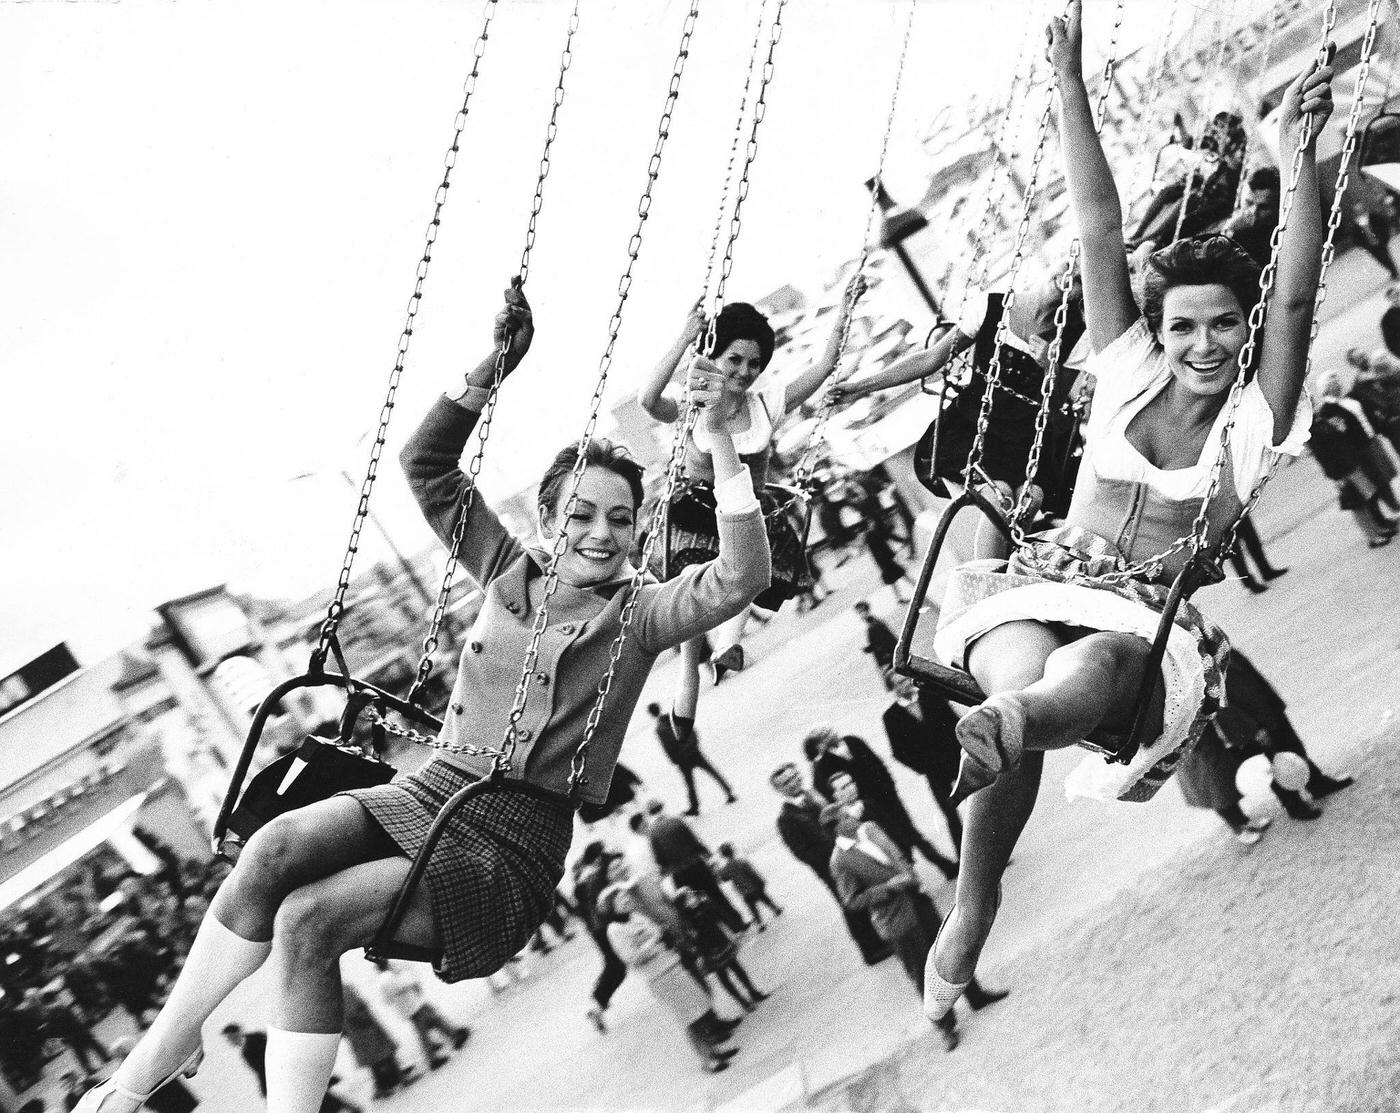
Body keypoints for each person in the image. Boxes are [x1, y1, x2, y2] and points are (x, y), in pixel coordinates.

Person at [75, 284, 772, 1113]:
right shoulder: (509, 572)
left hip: (509, 844)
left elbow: (740, 576)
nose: (600, 533)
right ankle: (151, 1060)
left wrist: (721, 441)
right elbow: (426, 466)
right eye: (580, 513)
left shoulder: (643, 612)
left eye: (620, 521)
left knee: (308, 922)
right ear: (548, 518)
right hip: (430, 788)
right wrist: (494, 367)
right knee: (270, 851)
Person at [921, 4, 1333, 1023]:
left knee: (1083, 673)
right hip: (1040, 583)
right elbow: (1098, 225)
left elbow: (1292, 298)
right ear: (1157, 327)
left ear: (1241, 331)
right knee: (1017, 664)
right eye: (1182, 324)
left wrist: (1296, 156)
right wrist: (1065, 80)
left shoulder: (1254, 420)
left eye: (1220, 326)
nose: (1201, 344)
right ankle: (973, 898)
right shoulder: (1121, 372)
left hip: (1139, 633)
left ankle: (1006, 725)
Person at [637, 286, 860, 691]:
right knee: (694, 582)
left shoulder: (766, 404)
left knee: (749, 566)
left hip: (747, 513)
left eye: (753, 364)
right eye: (734, 360)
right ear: (714, 358)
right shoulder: (695, 403)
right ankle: (691, 673)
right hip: (698, 514)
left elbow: (824, 365)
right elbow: (649, 400)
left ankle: (727, 648)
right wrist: (686, 337)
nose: (743, 372)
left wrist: (845, 306)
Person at [828, 269, 1090, 517]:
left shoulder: (1074, 337)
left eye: (1078, 278)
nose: (1068, 275)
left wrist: (1050, 366)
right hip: (976, 429)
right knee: (999, 496)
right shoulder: (993, 307)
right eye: (1067, 263)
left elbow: (1057, 405)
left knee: (1029, 497)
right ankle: (988, 563)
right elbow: (931, 359)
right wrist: (860, 387)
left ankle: (1011, 560)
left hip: (1026, 439)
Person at [824, 774, 1006, 1051]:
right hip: (896, 917)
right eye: (846, 816)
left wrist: (908, 873)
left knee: (953, 947)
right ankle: (946, 1028)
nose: (853, 815)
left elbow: (895, 854)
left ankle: (977, 996)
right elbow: (852, 900)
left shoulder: (869, 828)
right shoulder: (840, 862)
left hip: (917, 899)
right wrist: (889, 887)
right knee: (923, 972)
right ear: (838, 828)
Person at [600, 889, 738, 1074]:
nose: (626, 901)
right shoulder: (615, 930)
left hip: (672, 964)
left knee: (698, 1008)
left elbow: (657, 930)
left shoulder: (636, 917)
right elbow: (632, 957)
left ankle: (715, 1051)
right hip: (659, 976)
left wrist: (656, 938)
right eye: (620, 900)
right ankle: (707, 1059)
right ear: (611, 907)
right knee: (688, 1018)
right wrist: (653, 942)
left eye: (626, 897)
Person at [768, 763, 891, 965]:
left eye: (794, 776)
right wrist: (834, 857)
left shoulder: (814, 796)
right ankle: (870, 950)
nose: (793, 783)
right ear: (779, 790)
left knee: (863, 897)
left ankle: (879, 939)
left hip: (850, 855)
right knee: (851, 905)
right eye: (786, 782)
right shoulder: (786, 819)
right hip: (831, 867)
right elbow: (803, 853)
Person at [804, 729, 957, 879]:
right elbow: (833, 790)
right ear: (820, 745)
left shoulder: (852, 741)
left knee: (910, 832)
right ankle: (928, 869)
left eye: (829, 731)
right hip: (870, 807)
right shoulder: (825, 764)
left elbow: (877, 763)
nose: (831, 735)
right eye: (824, 736)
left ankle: (941, 866)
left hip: (888, 797)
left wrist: (890, 786)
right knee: (897, 837)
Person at [1309, 370, 1400, 546]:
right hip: (1343, 466)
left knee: (1367, 495)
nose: (1312, 403)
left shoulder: (1320, 419)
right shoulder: (1317, 423)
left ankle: (1378, 527)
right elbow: (1322, 455)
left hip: (1350, 460)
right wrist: (1335, 477)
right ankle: (1372, 535)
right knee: (1358, 502)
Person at [880, 672, 964, 859]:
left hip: (956, 761)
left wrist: (962, 750)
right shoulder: (891, 717)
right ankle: (965, 858)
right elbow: (898, 752)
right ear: (893, 689)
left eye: (906, 679)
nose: (907, 684)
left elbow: (955, 722)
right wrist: (923, 768)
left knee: (978, 806)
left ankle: (993, 853)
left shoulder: (931, 696)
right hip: (934, 772)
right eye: (900, 682)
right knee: (950, 814)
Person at [645, 802, 749, 933]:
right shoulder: (676, 821)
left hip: (679, 873)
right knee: (716, 894)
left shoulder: (652, 833)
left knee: (697, 903)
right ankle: (738, 923)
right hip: (696, 865)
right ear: (661, 808)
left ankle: (719, 931)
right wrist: (709, 856)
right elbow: (695, 841)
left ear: (650, 814)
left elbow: (659, 859)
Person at [673, 887, 770, 1013]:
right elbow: (693, 937)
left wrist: (730, 932)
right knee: (724, 977)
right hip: (709, 950)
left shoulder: (704, 906)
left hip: (721, 941)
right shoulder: (686, 920)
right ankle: (743, 1002)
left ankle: (753, 991)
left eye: (691, 894)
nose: (692, 897)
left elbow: (718, 918)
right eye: (688, 897)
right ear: (683, 905)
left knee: (737, 968)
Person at [571, 841, 629, 1032]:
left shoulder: (581, 882)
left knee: (613, 964)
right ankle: (597, 1004)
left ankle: (597, 1002)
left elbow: (580, 911)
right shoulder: (594, 876)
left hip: (596, 930)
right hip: (603, 927)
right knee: (617, 967)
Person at [373, 960, 469, 1071]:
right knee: (430, 1023)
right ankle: (446, 1045)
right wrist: (407, 979)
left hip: (409, 1007)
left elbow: (387, 1000)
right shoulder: (387, 977)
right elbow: (405, 983)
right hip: (413, 1004)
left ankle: (453, 1036)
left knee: (430, 1023)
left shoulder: (381, 980)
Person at [644, 702, 736, 816]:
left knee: (690, 783)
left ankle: (695, 807)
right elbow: (691, 731)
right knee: (712, 772)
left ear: (651, 714)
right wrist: (693, 745)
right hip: (693, 752)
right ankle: (728, 792)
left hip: (682, 759)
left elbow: (667, 747)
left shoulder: (660, 729)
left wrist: (675, 759)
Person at [714, 844, 783, 929]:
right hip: (754, 887)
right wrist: (761, 881)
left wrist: (717, 870)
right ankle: (775, 909)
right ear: (733, 851)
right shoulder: (742, 862)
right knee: (764, 898)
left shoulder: (726, 868)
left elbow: (724, 878)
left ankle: (760, 924)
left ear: (723, 856)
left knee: (752, 909)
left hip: (744, 892)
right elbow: (753, 873)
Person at [1223, 166, 1281, 267]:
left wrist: (1230, 234)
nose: (1253, 212)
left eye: (1264, 207)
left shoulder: (1276, 241)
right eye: (1249, 203)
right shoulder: (1225, 214)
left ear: (1277, 208)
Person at [1225, 515, 1288, 594]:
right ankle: (1249, 583)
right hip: (1219, 517)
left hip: (1234, 507)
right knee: (1234, 550)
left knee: (1251, 538)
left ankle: (1266, 570)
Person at [1347, 196, 1398, 280]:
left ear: (1364, 209)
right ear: (1355, 213)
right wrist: (1365, 246)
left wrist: (1384, 236)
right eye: (1357, 211)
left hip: (1380, 240)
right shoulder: (1356, 225)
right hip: (1370, 245)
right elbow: (1356, 238)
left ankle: (1394, 271)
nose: (1359, 212)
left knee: (1385, 255)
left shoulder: (1373, 216)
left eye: (1360, 209)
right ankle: (1392, 270)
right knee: (1380, 258)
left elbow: (1384, 224)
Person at [853, 600, 899, 679]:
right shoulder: (874, 622)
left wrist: (870, 648)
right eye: (859, 613)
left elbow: (883, 642)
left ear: (867, 610)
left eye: (862, 612)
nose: (861, 615)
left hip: (887, 659)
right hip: (888, 657)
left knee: (898, 681)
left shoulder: (874, 625)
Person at [1382, 285, 1400, 361]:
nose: (1396, 298)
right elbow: (1391, 344)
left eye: (1397, 294)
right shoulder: (1387, 320)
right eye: (1392, 297)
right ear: (1389, 300)